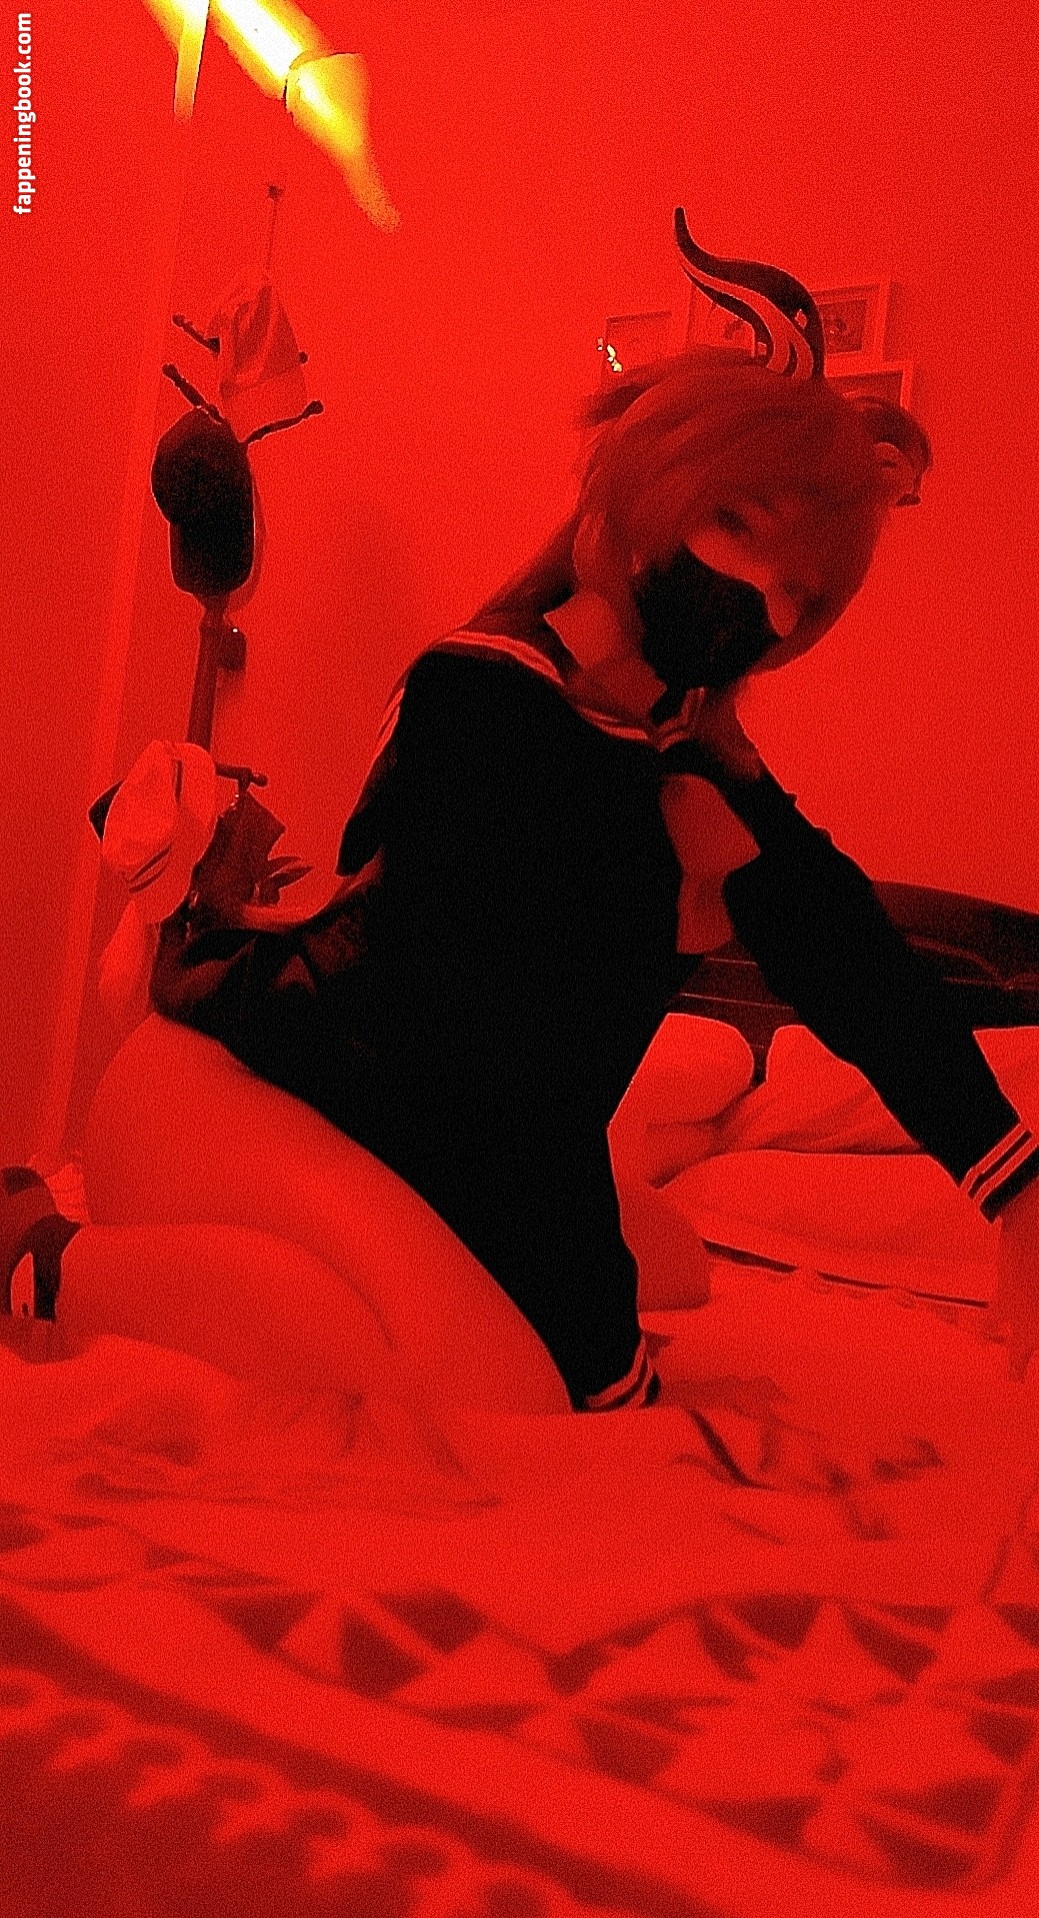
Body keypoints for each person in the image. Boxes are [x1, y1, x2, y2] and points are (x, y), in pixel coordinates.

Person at [7, 235, 1039, 1408]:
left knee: (683, 1267)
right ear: (645, 501)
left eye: (801, 588)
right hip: (243, 1088)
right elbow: (480, 1069)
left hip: (423, 1128)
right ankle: (43, 1256)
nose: (763, 596)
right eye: (737, 525)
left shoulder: (685, 748)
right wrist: (599, 1360)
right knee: (503, 1394)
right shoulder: (484, 698)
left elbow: (850, 957)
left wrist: (1015, 1189)